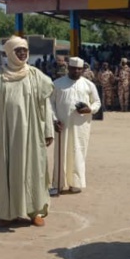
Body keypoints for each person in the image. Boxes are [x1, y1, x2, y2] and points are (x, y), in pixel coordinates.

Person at [0, 36, 55, 228]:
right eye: (18, 51)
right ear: (9, 53)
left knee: (34, 171)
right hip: (6, 135)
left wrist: (48, 130)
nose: (22, 54)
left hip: (33, 134)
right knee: (6, 171)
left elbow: (45, 106)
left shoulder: (36, 76)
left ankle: (35, 211)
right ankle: (6, 212)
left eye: (24, 50)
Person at [51, 57, 102, 194]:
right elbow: (50, 104)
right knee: (61, 152)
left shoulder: (89, 85)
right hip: (62, 124)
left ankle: (75, 183)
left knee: (78, 152)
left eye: (79, 69)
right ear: (68, 68)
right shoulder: (57, 84)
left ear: (83, 69)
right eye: (74, 68)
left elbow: (97, 102)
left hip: (81, 125)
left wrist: (89, 109)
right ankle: (58, 184)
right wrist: (54, 120)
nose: (76, 71)